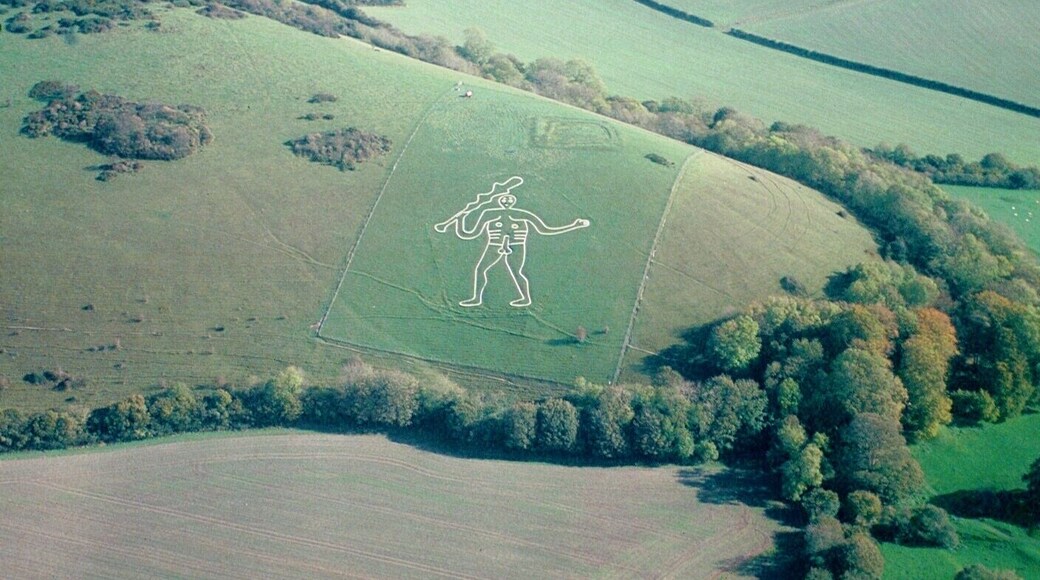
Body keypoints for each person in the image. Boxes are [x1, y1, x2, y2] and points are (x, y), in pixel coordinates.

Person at [435, 180, 589, 307]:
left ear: (514, 201)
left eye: (509, 199)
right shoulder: (489, 214)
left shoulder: (523, 214)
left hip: (516, 246)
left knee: (517, 272)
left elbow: (545, 230)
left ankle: (525, 299)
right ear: (500, 201)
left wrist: (573, 225)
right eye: (504, 199)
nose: (507, 201)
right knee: (480, 269)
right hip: (494, 246)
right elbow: (469, 234)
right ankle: (476, 298)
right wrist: (460, 220)